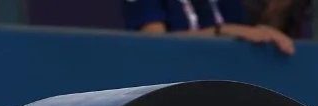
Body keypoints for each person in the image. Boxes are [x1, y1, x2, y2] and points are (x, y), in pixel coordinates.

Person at [123, 0, 300, 53]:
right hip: (169, 90)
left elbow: (247, 38)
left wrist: (267, 31)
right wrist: (224, 31)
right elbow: (153, 44)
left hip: (222, 86)